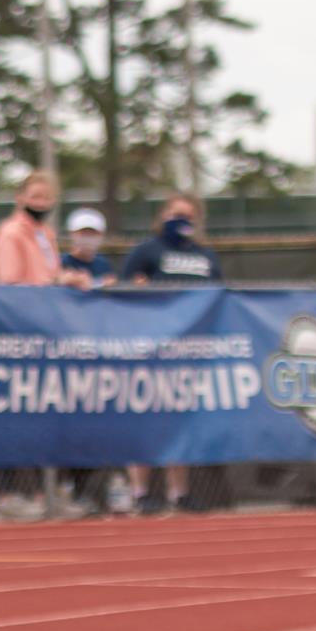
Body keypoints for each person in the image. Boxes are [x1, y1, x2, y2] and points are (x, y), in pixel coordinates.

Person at [123, 193, 222, 514]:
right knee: (145, 419)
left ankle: (178, 493)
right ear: (163, 215)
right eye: (177, 214)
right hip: (150, 347)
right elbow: (124, 292)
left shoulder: (205, 256)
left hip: (190, 350)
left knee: (182, 422)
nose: (183, 220)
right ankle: (139, 493)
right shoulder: (147, 250)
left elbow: (220, 295)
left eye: (189, 215)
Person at [0, 171, 69, 520]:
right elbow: (10, 283)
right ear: (20, 197)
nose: (42, 203)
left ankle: (45, 492)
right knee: (14, 413)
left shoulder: (46, 234)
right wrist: (53, 282)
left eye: (47, 196)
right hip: (19, 334)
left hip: (46, 334)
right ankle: (9, 494)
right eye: (35, 196)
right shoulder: (11, 233)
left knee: (44, 413)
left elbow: (50, 274)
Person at [58, 207, 116, 290]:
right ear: (72, 235)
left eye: (93, 234)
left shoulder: (104, 264)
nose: (87, 238)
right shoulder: (60, 262)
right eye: (83, 233)